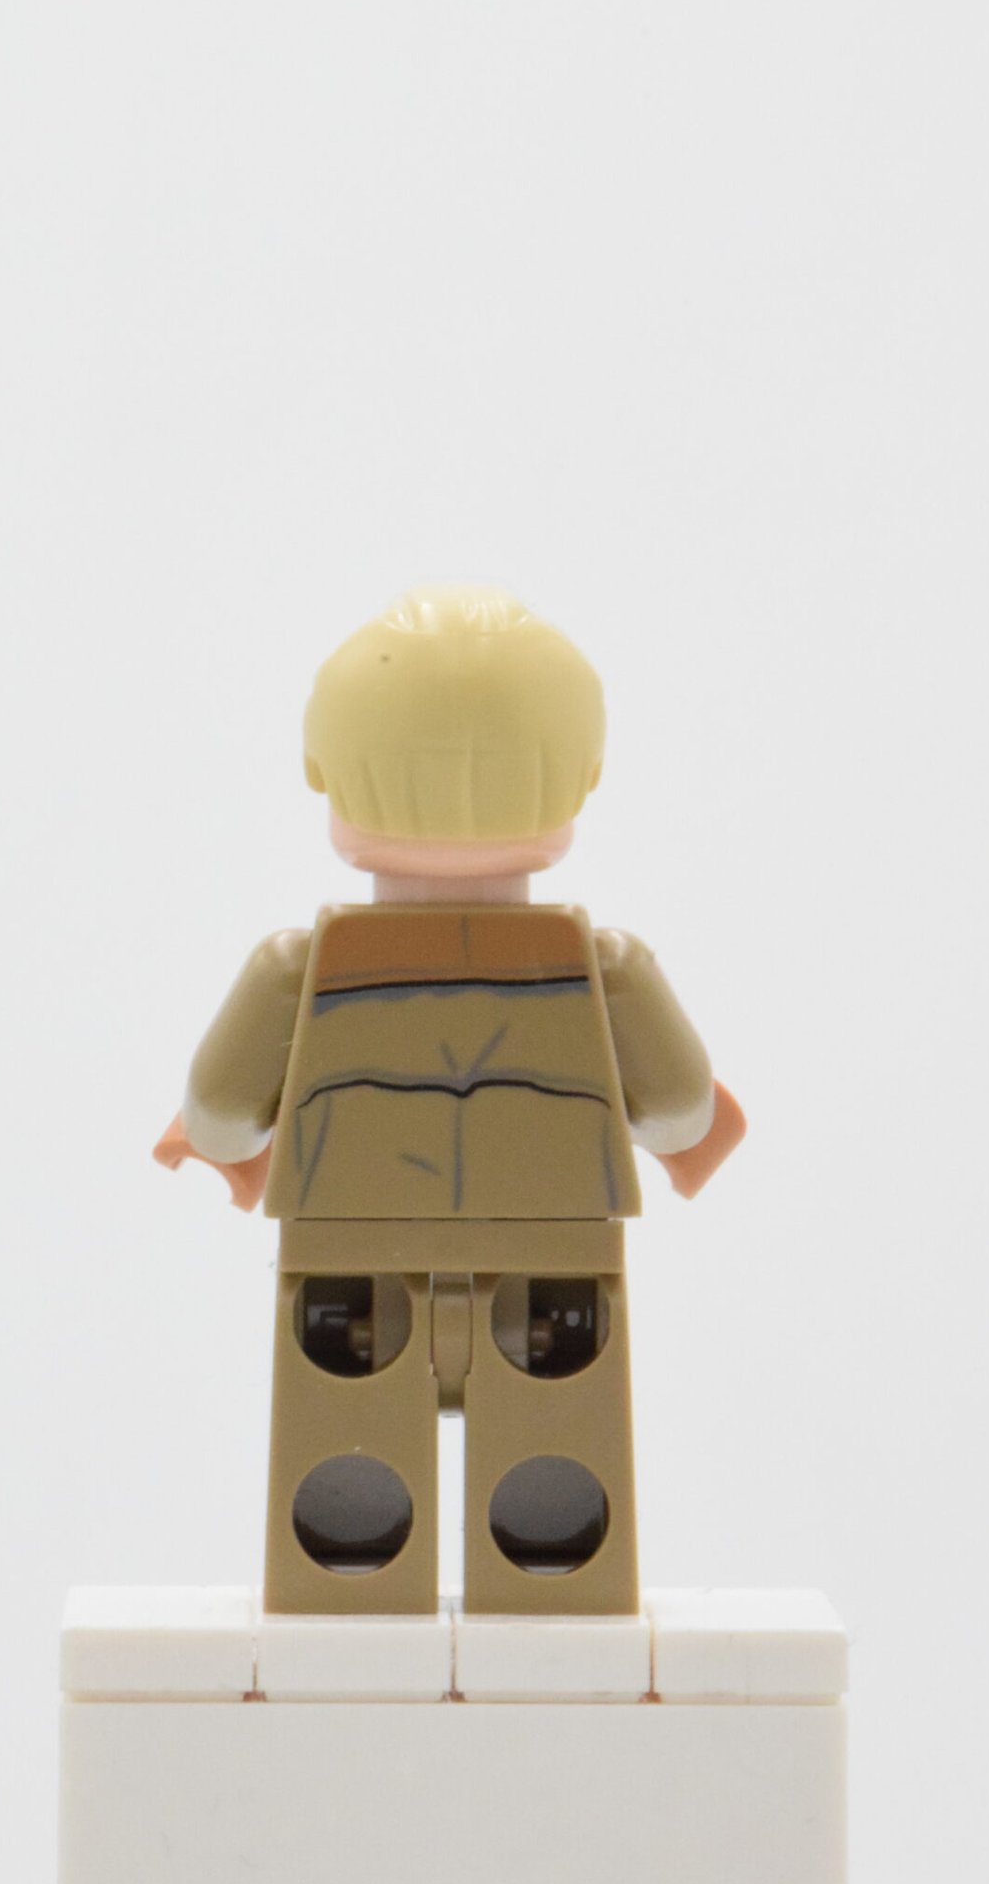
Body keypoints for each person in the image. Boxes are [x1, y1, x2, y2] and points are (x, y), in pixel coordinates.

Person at [155, 587, 743, 1613]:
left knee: (343, 1456)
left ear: (322, 771)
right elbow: (680, 1117)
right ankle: (556, 1604)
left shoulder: (297, 968)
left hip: (347, 1252)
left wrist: (226, 1147)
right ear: (585, 775)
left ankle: (345, 1604)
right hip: (557, 1257)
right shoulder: (605, 966)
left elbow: (218, 1118)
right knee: (559, 1455)